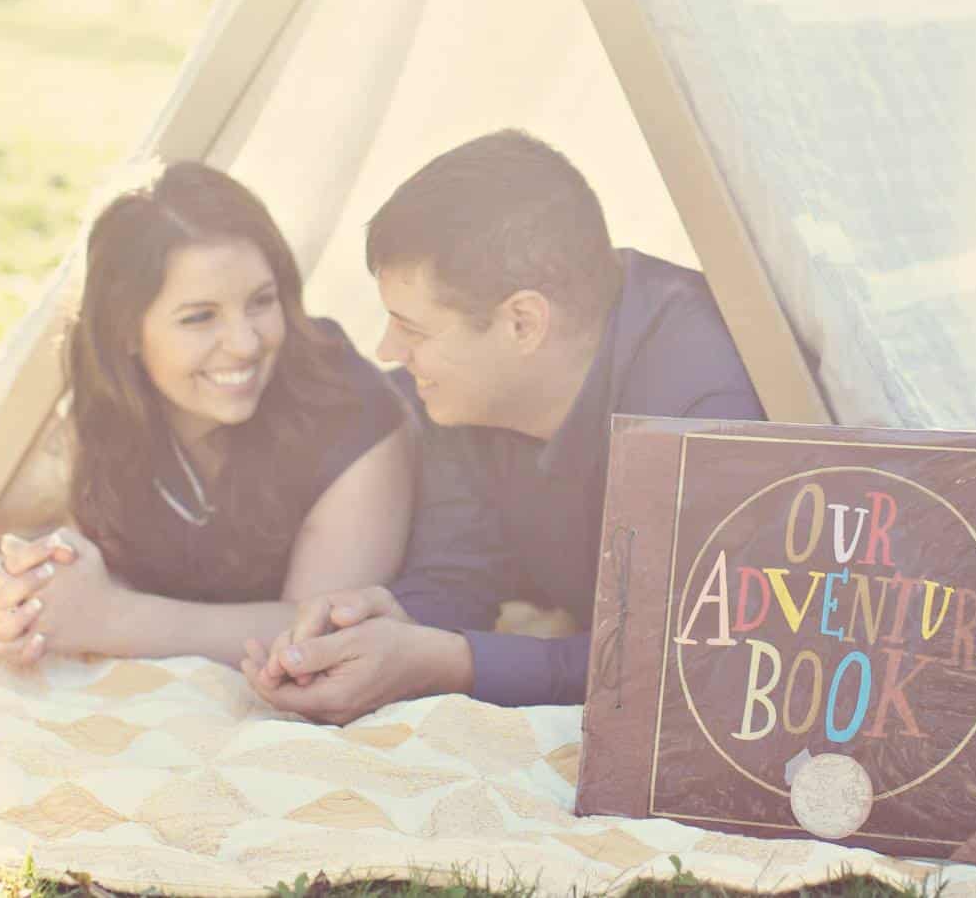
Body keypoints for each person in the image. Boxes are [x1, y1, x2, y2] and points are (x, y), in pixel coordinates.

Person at [237, 130, 764, 722]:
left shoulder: (705, 410)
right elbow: (456, 574)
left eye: (412, 329)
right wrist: (379, 624)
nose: (388, 350)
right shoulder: (456, 399)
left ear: (522, 323)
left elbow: (691, 662)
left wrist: (450, 662)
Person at [0, 161, 415, 667]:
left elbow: (321, 630)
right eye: (200, 317)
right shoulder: (112, 398)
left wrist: (112, 619)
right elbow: (109, 574)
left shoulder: (350, 408)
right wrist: (42, 600)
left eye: (261, 302)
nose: (246, 343)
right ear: (125, 333)